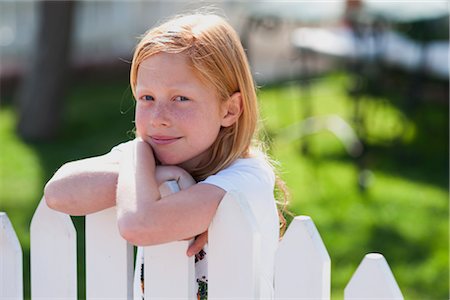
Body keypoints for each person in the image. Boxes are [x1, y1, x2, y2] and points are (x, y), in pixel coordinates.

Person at [44, 13, 288, 299]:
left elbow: (139, 224)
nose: (159, 118)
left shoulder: (246, 179)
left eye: (180, 98)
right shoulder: (149, 159)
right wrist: (145, 162)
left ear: (229, 110)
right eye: (147, 98)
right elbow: (58, 193)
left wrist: (139, 165)